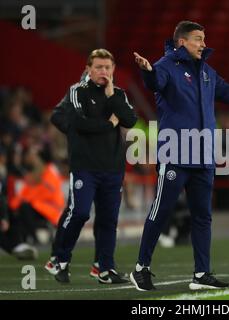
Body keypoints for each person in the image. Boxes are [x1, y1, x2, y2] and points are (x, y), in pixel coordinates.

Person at [130, 21, 229, 291]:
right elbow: (154, 82)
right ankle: (141, 268)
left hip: (203, 155)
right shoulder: (165, 66)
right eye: (198, 39)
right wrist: (147, 71)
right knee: (162, 211)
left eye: (204, 38)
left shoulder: (206, 71)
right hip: (175, 153)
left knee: (203, 216)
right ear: (182, 41)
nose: (204, 44)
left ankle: (201, 274)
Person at [51, 49, 137, 284]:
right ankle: (60, 258)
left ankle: (105, 269)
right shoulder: (77, 91)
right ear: (89, 69)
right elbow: (79, 123)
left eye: (108, 68)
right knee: (79, 213)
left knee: (109, 219)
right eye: (99, 67)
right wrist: (109, 124)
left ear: (114, 70)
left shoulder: (118, 94)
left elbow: (130, 120)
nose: (104, 72)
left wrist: (111, 97)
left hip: (113, 167)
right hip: (85, 166)